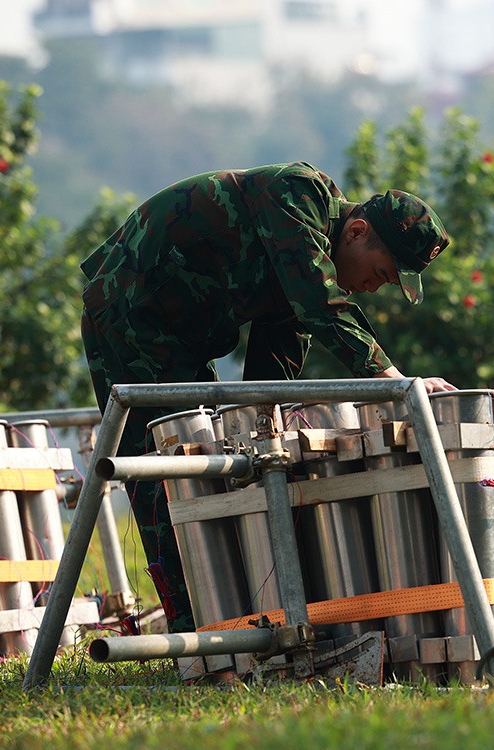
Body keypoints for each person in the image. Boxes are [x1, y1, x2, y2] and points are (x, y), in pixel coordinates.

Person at [80, 162, 456, 633]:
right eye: (381, 273)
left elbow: (275, 363)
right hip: (130, 317)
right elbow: (319, 305)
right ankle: (196, 635)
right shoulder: (297, 195)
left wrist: (263, 431)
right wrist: (398, 382)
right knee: (170, 473)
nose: (374, 287)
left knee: (219, 461)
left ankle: (238, 623)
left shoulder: (303, 265)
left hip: (178, 338)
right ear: (357, 231)